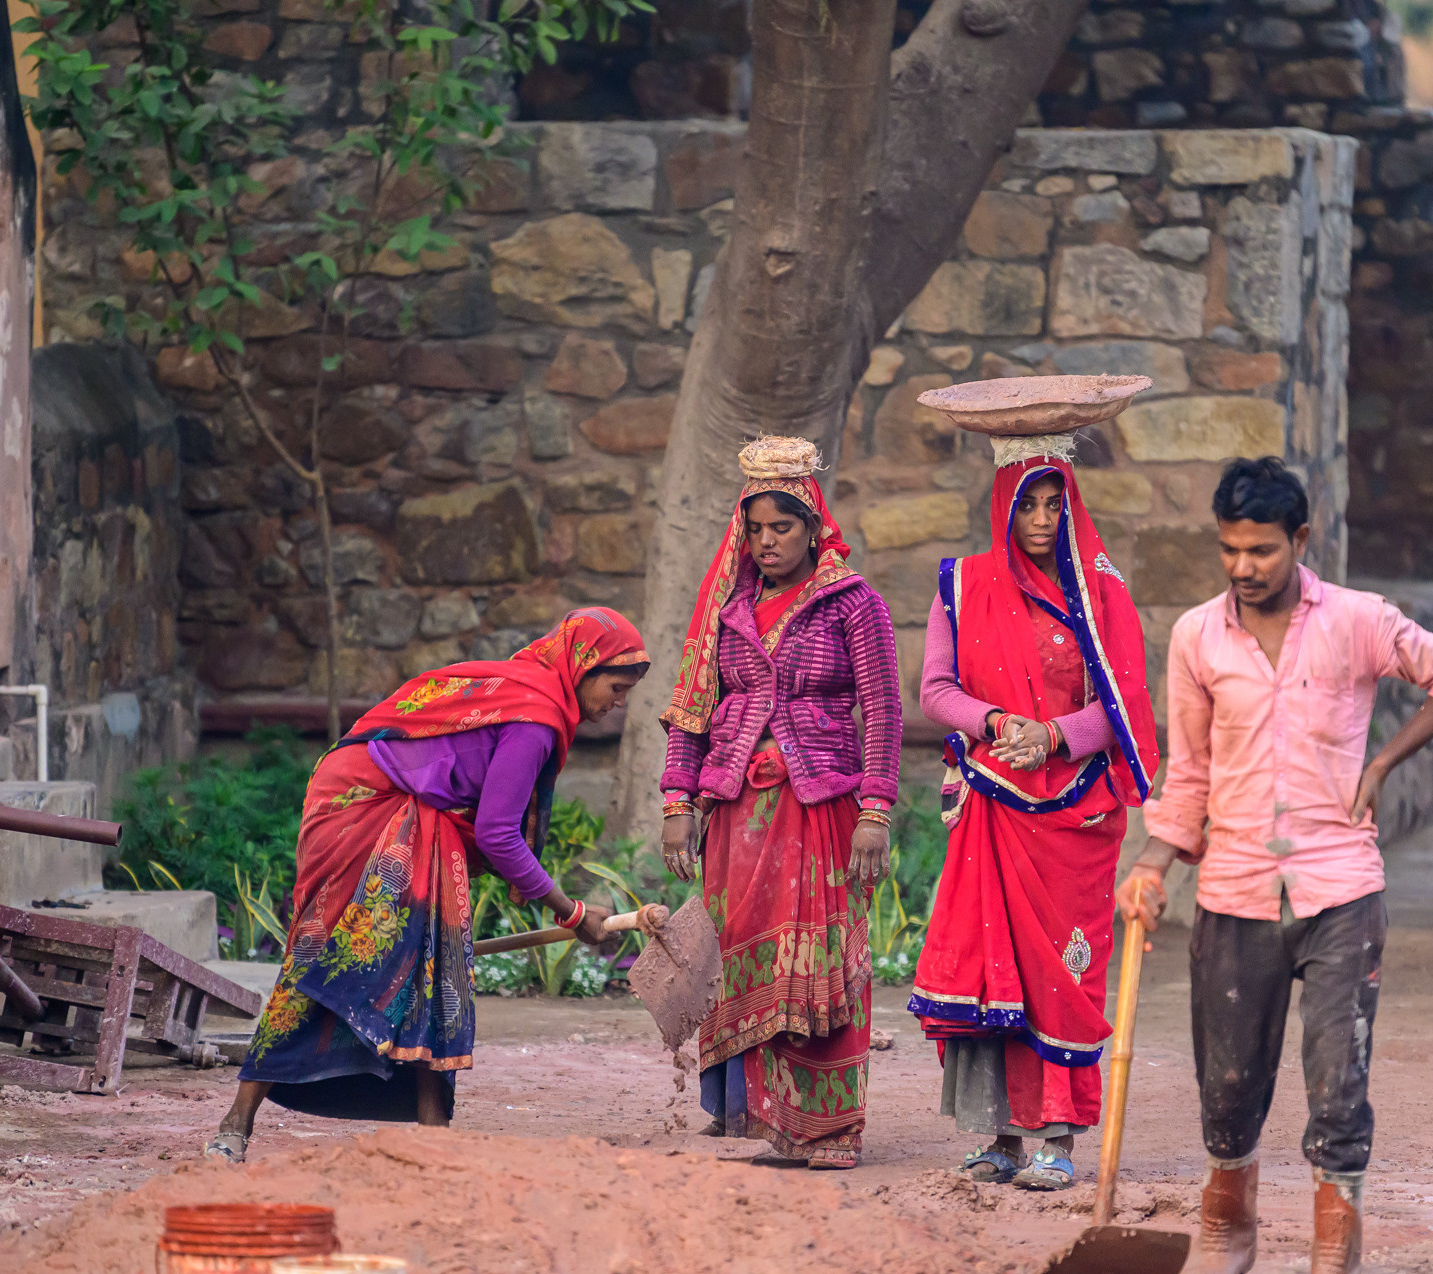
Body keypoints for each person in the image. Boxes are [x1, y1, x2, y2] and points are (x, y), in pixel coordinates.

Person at [1114, 456, 1433, 1274]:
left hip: (1340, 890)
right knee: (1228, 1076)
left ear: (1301, 542)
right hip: (1235, 887)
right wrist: (1151, 863)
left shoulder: (1355, 620)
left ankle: (1335, 1254)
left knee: (1337, 1078)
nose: (1243, 568)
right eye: (1230, 549)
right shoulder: (1198, 637)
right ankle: (1228, 1228)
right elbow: (1190, 770)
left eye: (1261, 551)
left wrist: (1385, 761)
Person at [204, 608, 651, 1163]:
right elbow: (497, 834)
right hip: (366, 805)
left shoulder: (528, 691)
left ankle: (432, 1129)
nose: (619, 703)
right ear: (582, 667)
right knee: (323, 954)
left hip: (397, 804)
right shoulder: (535, 718)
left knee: (430, 963)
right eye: (616, 686)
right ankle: (235, 1123)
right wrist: (571, 911)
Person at [909, 444, 1158, 1192]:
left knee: (1066, 975)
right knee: (995, 968)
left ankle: (1057, 1136)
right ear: (1003, 507)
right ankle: (1001, 1137)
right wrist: (993, 722)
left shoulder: (1101, 595)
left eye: (1055, 503)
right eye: (1028, 505)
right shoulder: (963, 583)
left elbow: (1123, 706)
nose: (1043, 520)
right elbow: (934, 688)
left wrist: (1052, 736)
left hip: (1074, 816)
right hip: (994, 799)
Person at [659, 437, 901, 1169]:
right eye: (756, 529)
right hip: (736, 815)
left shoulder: (853, 603)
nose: (768, 543)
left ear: (813, 525)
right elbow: (693, 707)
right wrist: (679, 800)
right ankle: (755, 1118)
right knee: (740, 961)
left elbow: (883, 711)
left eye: (783, 528)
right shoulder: (726, 613)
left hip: (818, 806)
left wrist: (875, 813)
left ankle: (822, 1128)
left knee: (818, 961)